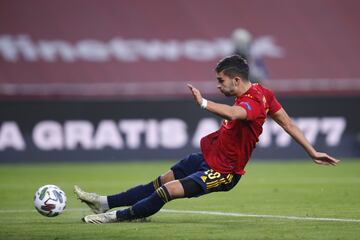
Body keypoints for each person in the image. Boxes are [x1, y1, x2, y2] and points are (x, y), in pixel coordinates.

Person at [74, 55, 339, 224]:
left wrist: (203, 103)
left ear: (237, 80)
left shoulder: (254, 103)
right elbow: (288, 123)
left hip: (223, 171)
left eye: (221, 81)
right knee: (157, 183)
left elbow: (237, 114)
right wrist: (312, 151)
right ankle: (104, 202)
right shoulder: (265, 94)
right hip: (207, 156)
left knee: (166, 191)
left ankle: (117, 217)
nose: (218, 85)